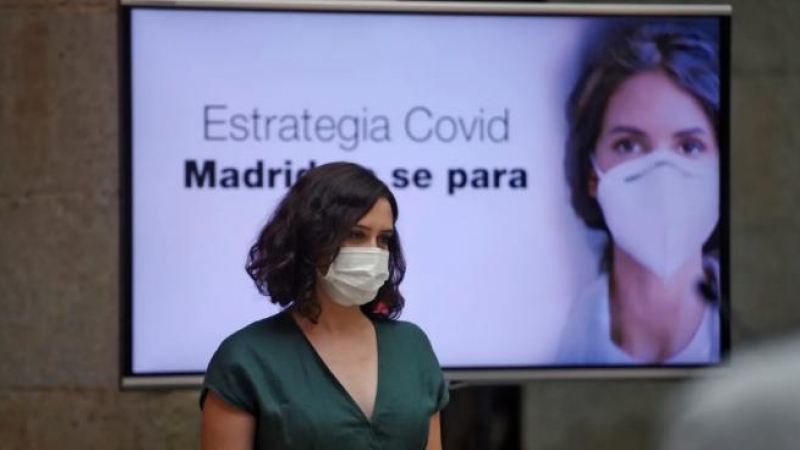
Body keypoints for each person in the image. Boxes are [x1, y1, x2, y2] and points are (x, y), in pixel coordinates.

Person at [199, 162, 449, 449]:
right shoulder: (246, 358)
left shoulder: (411, 346)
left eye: (383, 239)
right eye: (356, 234)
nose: (373, 251)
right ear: (311, 238)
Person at [557, 22, 722, 365]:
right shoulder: (556, 339)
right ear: (592, 173)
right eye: (628, 144)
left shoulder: (754, 334)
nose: (661, 171)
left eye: (689, 146)